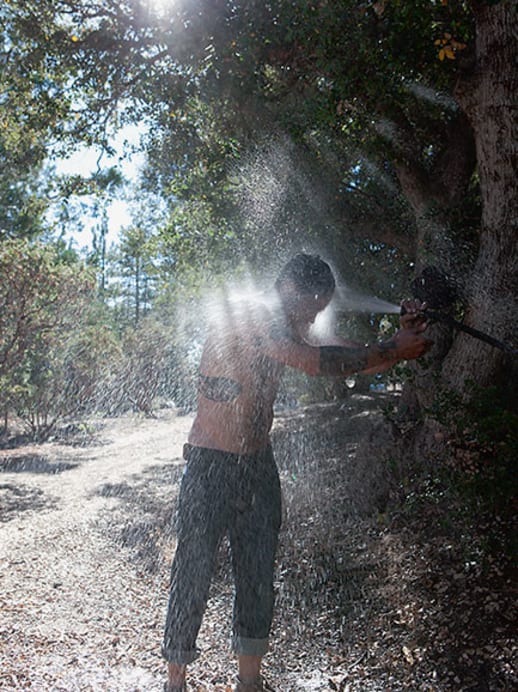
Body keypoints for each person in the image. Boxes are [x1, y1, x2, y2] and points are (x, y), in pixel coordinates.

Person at [162, 253, 431, 692]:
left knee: (258, 571)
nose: (316, 317)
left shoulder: (286, 323)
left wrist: (398, 342)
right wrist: (392, 350)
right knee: (193, 570)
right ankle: (176, 681)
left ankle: (249, 682)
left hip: (257, 463)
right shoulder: (252, 315)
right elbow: (308, 360)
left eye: (321, 310)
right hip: (210, 463)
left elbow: (341, 353)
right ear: (291, 290)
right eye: (314, 307)